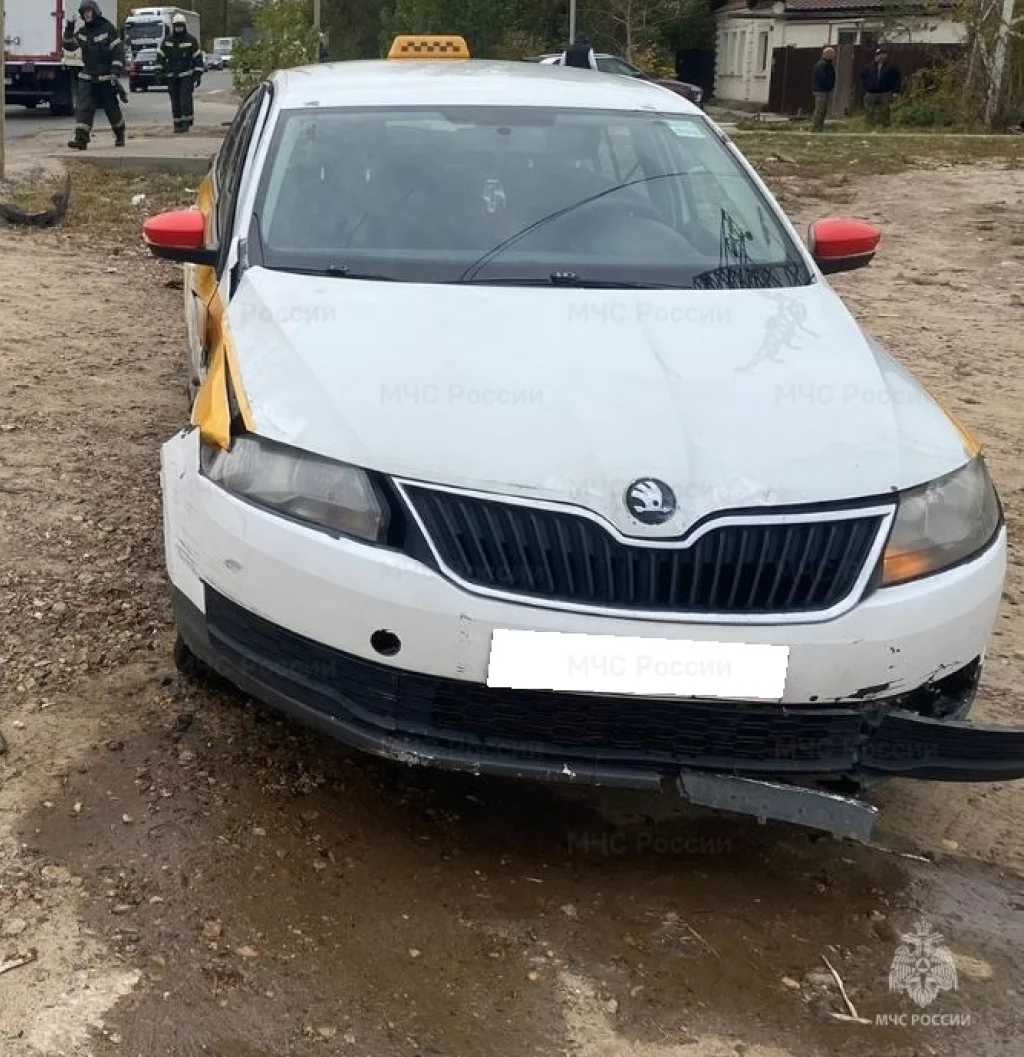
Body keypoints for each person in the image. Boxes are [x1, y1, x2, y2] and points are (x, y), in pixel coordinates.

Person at [62, 0, 126, 150]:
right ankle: (81, 140)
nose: (87, 15)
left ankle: (120, 134)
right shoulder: (82, 32)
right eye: (84, 12)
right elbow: (69, 45)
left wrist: (115, 70)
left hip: (106, 77)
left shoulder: (108, 29)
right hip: (87, 78)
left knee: (111, 109)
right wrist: (69, 27)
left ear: (95, 12)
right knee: (84, 108)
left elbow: (118, 50)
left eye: (89, 11)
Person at [155, 14, 204, 134]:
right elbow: (160, 58)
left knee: (185, 100)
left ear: (184, 26)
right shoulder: (167, 41)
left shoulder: (191, 40)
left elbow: (197, 59)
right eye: (177, 26)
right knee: (175, 102)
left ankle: (186, 124)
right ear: (173, 26)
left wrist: (197, 75)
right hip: (172, 76)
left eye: (180, 26)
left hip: (186, 76)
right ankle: (177, 124)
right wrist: (159, 73)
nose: (179, 28)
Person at [861, 47, 901, 129]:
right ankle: (869, 126)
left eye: (883, 54)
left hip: (885, 93)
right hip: (871, 93)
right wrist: (867, 86)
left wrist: (895, 91)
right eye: (879, 55)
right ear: (876, 56)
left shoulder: (892, 67)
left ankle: (885, 126)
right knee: (869, 111)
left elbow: (896, 80)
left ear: (886, 55)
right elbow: (862, 77)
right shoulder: (869, 67)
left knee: (885, 111)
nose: (881, 56)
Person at [811, 46, 836, 133]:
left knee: (823, 110)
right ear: (827, 54)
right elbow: (822, 78)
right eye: (832, 54)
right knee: (820, 110)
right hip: (821, 91)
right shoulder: (822, 65)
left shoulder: (828, 64)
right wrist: (828, 85)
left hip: (824, 90)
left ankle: (819, 127)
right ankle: (816, 128)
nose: (834, 56)